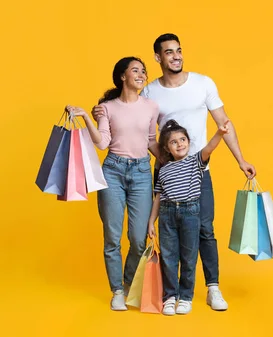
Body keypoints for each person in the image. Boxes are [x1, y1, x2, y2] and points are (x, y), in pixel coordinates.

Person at [93, 33, 257, 311]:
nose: (176, 56)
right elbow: (135, 123)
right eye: (168, 52)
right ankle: (170, 295)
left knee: (205, 229)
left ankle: (212, 288)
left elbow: (223, 122)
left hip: (199, 169)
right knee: (167, 235)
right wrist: (101, 113)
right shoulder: (149, 92)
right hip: (166, 175)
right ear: (158, 58)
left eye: (178, 51)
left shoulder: (203, 83)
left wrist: (241, 160)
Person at [67, 56, 160, 311]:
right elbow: (102, 143)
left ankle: (129, 282)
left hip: (141, 172)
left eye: (144, 71)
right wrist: (86, 115)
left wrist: (169, 161)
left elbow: (152, 140)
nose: (141, 74)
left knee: (139, 238)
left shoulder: (152, 106)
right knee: (112, 237)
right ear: (122, 76)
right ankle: (117, 291)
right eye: (135, 70)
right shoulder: (107, 108)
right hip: (113, 172)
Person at [147, 119, 229, 315]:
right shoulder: (164, 169)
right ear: (167, 148)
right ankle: (170, 297)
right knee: (168, 257)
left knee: (189, 257)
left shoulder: (196, 161)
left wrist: (219, 133)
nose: (180, 144)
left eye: (183, 139)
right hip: (167, 215)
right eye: (174, 142)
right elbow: (159, 196)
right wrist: (152, 221)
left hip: (190, 214)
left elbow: (209, 148)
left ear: (189, 142)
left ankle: (185, 297)